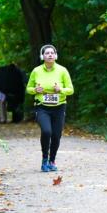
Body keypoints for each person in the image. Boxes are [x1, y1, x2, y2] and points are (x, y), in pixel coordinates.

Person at [26, 44, 74, 172]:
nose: (50, 55)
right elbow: (28, 89)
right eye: (47, 53)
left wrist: (61, 90)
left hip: (59, 108)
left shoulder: (62, 70)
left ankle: (52, 160)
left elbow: (70, 90)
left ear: (56, 55)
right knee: (47, 131)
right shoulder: (36, 71)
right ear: (42, 56)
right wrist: (35, 89)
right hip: (42, 107)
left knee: (56, 135)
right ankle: (44, 160)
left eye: (52, 53)